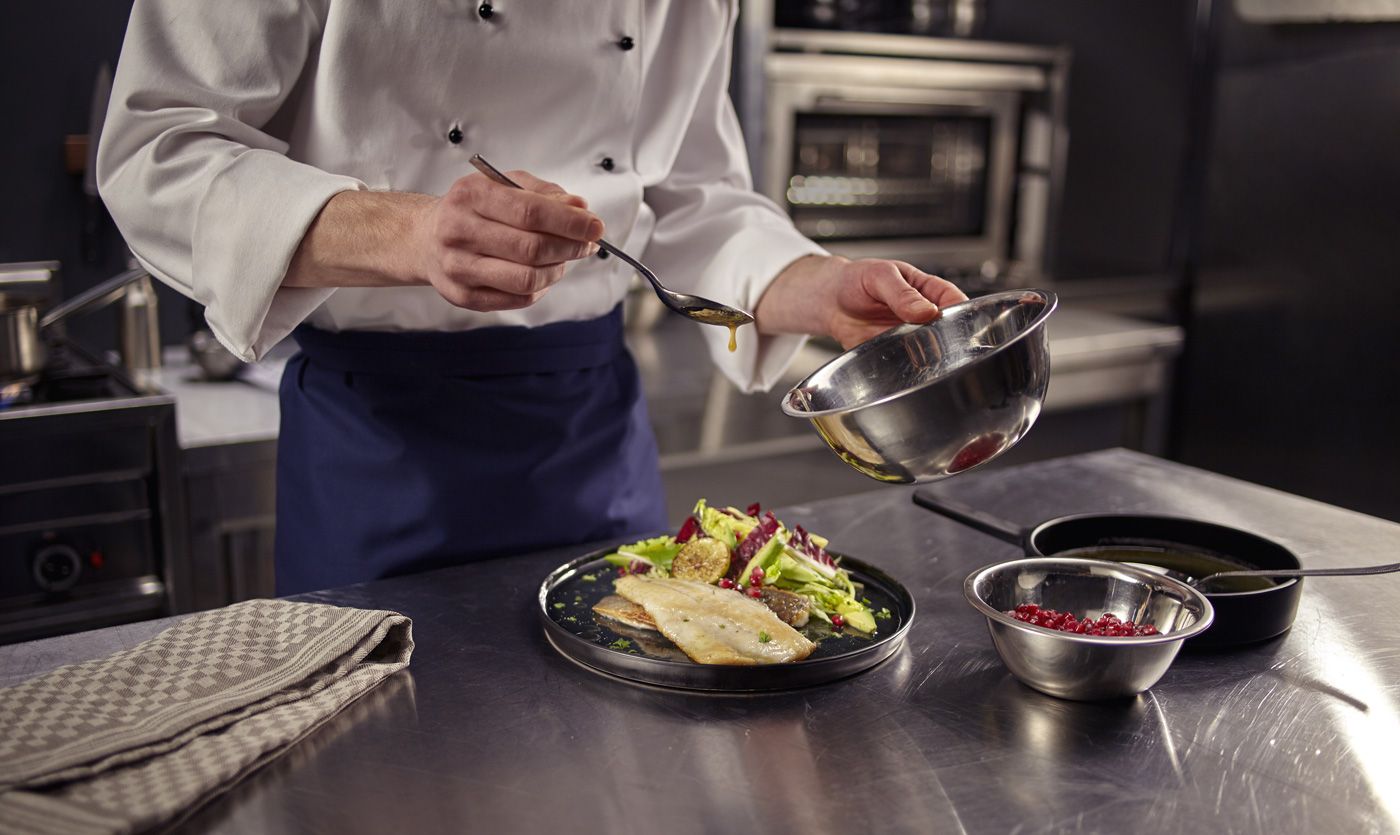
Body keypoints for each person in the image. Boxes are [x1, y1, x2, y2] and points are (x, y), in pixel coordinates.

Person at [98, 1, 967, 595]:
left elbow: (690, 193)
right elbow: (157, 153)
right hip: (379, 446)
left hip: (592, 433)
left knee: (624, 759)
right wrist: (412, 233)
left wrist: (819, 286)